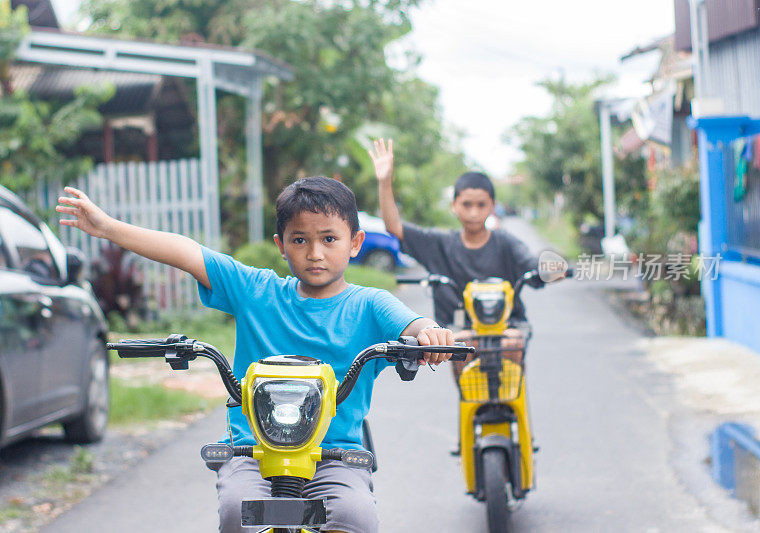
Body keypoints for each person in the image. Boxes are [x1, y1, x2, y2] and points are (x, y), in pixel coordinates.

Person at [56, 176, 454, 533]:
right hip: (252, 449)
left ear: (355, 243)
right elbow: (187, 252)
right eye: (300, 239)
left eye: (329, 238)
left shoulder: (371, 304)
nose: (315, 252)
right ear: (281, 246)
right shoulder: (256, 290)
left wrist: (430, 335)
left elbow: (412, 324)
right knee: (236, 512)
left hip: (334, 453)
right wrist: (106, 227)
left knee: (356, 516)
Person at [368, 138, 543, 385]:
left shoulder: (506, 242)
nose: (473, 211)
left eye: (481, 204)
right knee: (466, 378)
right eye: (466, 204)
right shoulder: (440, 243)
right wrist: (385, 181)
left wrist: (547, 269)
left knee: (514, 353)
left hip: (507, 325)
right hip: (458, 329)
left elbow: (531, 263)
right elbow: (394, 227)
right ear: (454, 206)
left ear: (492, 206)